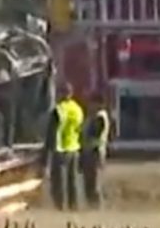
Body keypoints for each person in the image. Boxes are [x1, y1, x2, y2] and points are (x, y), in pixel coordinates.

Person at [41, 82, 83, 210]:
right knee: (73, 181)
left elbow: (51, 133)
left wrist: (45, 154)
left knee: (59, 182)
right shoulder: (77, 109)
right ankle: (74, 206)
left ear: (62, 93)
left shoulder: (58, 110)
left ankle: (60, 207)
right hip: (74, 148)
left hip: (60, 149)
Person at [80, 92, 110, 208]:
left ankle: (97, 206)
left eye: (92, 102)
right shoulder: (93, 116)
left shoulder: (99, 117)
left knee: (94, 183)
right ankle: (91, 205)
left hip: (95, 152)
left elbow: (94, 134)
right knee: (89, 182)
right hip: (90, 151)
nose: (89, 105)